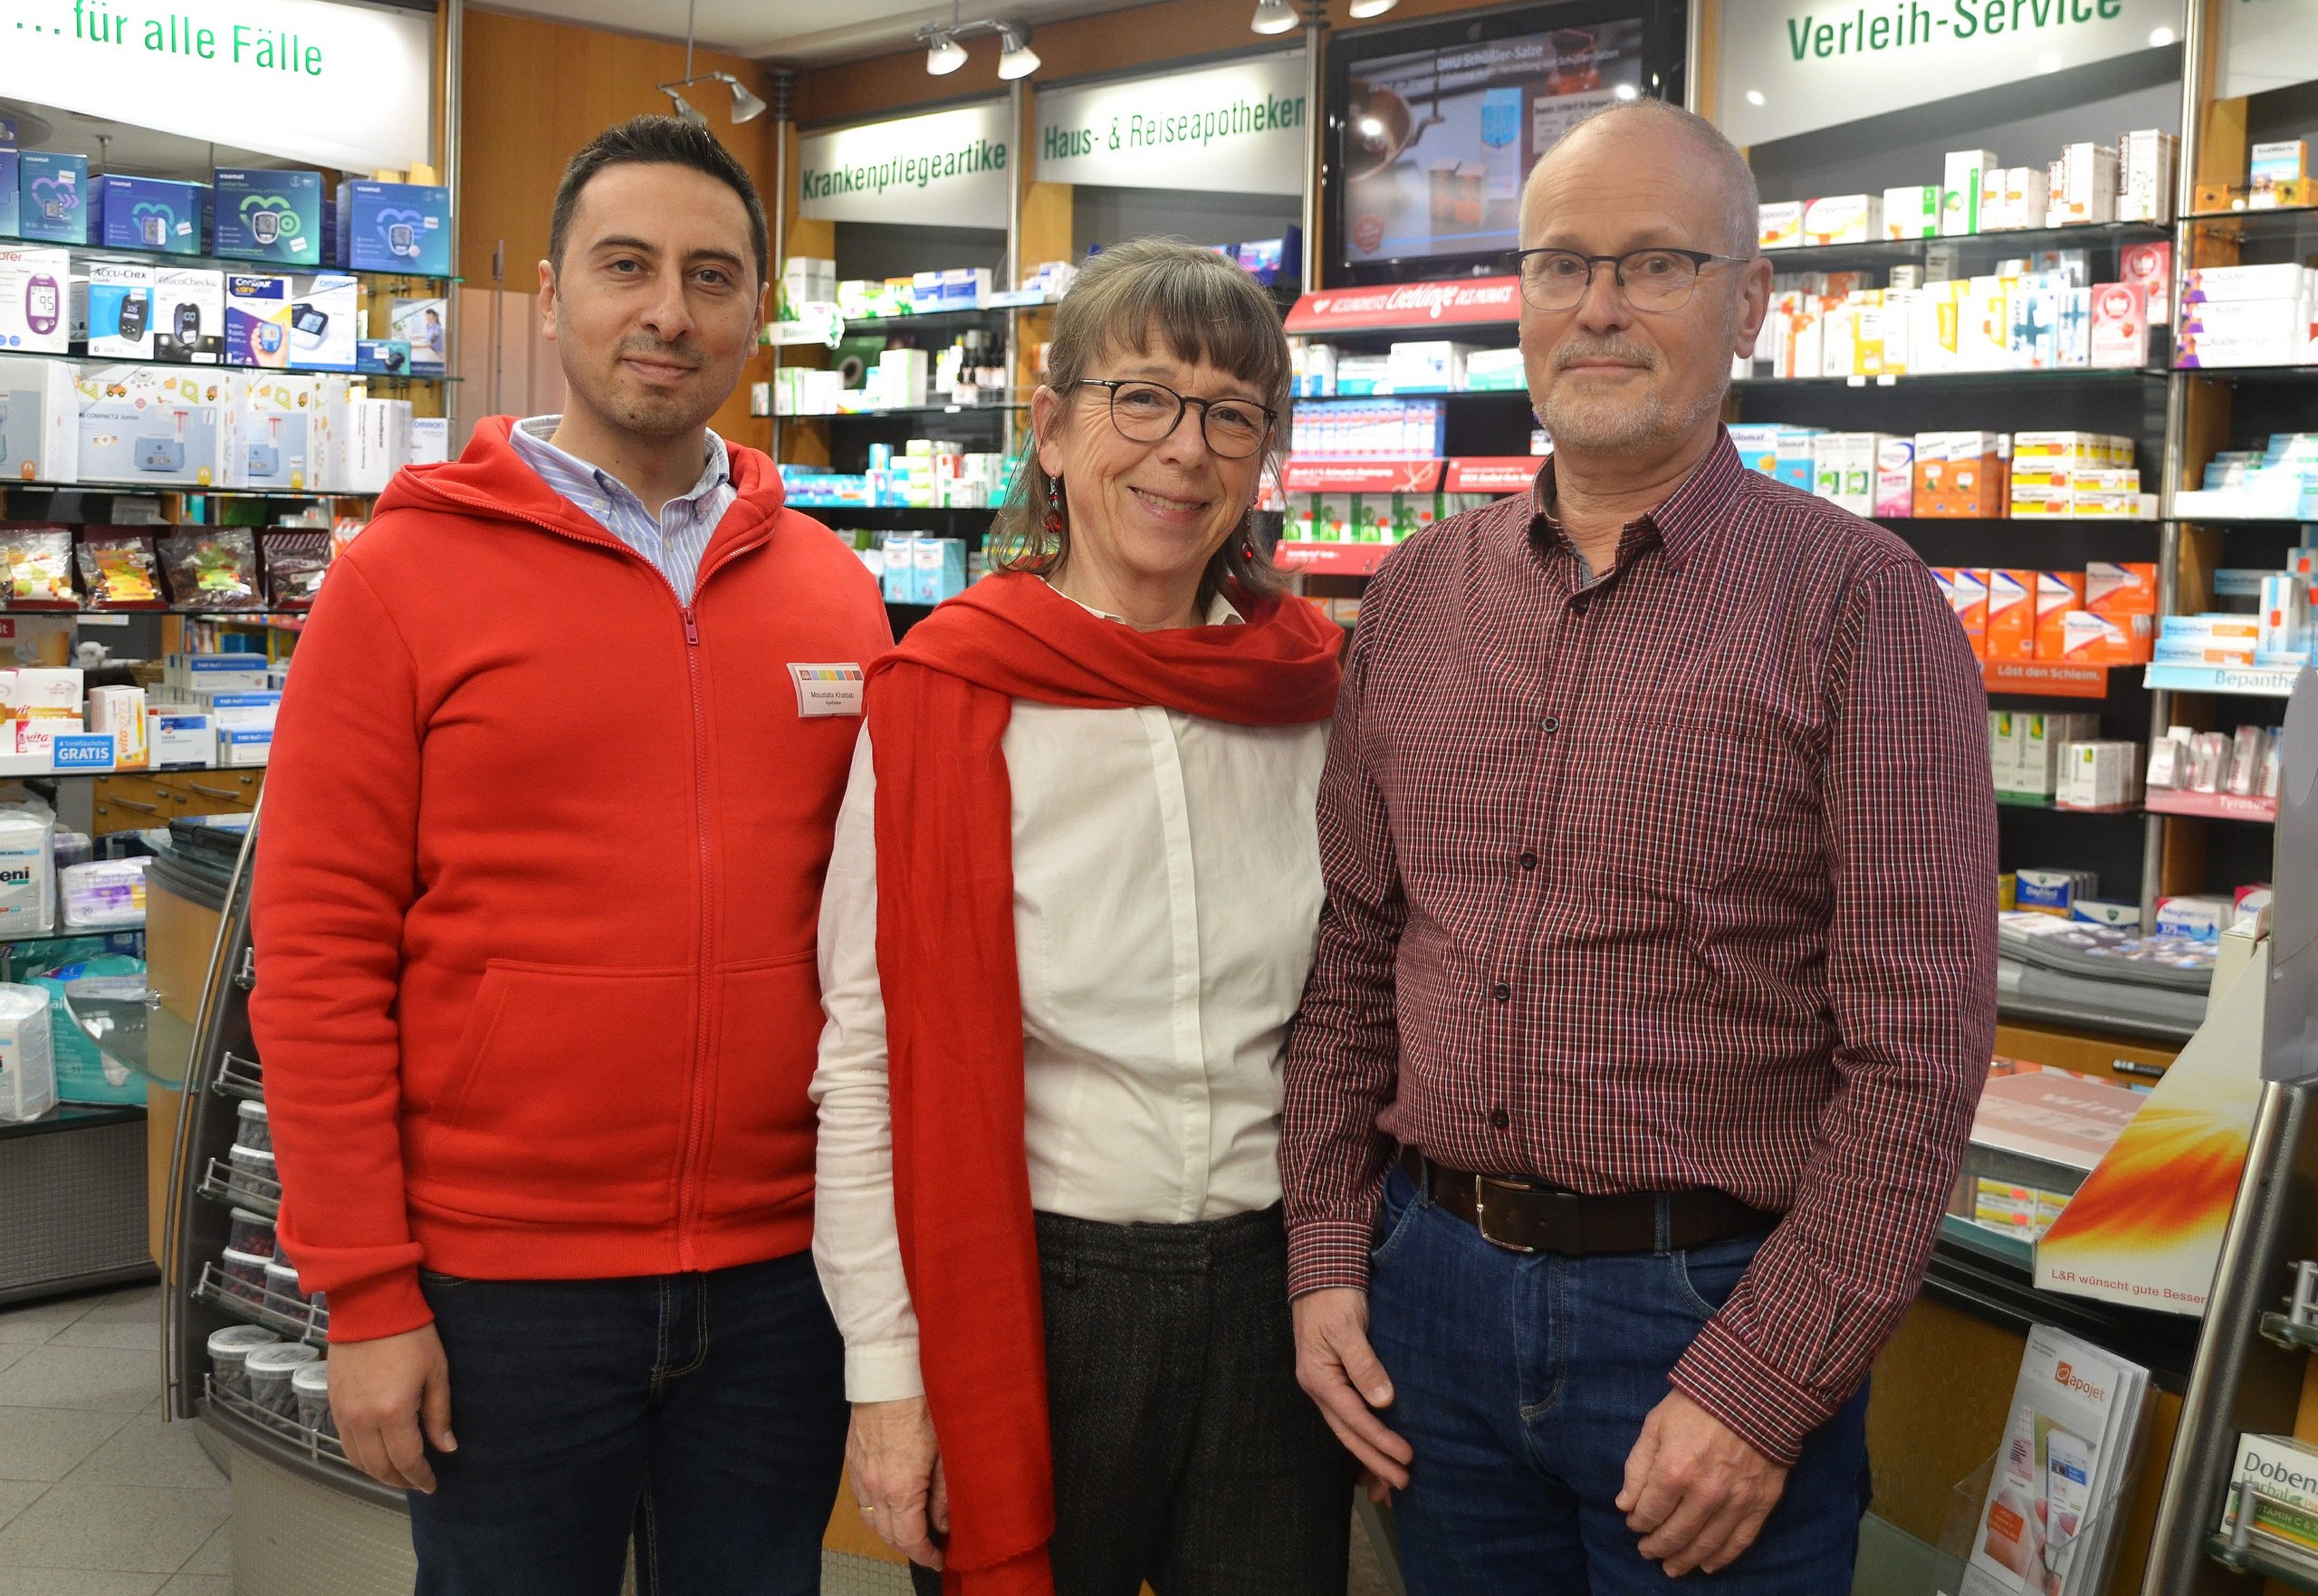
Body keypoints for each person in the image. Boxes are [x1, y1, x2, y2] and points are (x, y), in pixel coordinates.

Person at [1280, 100, 1997, 1594]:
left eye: (1655, 265)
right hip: (1433, 1307)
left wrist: (1764, 1385)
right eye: (1561, 266)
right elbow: (1352, 959)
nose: (1597, 308)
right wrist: (1329, 1256)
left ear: (1747, 303)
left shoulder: (1861, 606)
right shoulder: (1414, 599)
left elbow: (1918, 1056)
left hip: (1710, 1315)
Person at [250, 116, 889, 1596]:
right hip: (499, 1287)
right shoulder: (399, 578)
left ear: (754, 314)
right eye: (627, 266)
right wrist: (364, 1292)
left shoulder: (834, 590)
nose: (668, 310)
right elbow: (320, 954)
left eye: (712, 276)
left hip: (782, 1278)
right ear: (552, 298)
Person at [812, 237, 1354, 1596]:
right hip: (1035, 1288)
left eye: (1233, 412)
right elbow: (869, 1063)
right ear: (1050, 430)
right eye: (1144, 399)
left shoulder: (1317, 701)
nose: (1186, 450)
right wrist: (887, 1384)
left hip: (1277, 1290)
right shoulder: (946, 700)